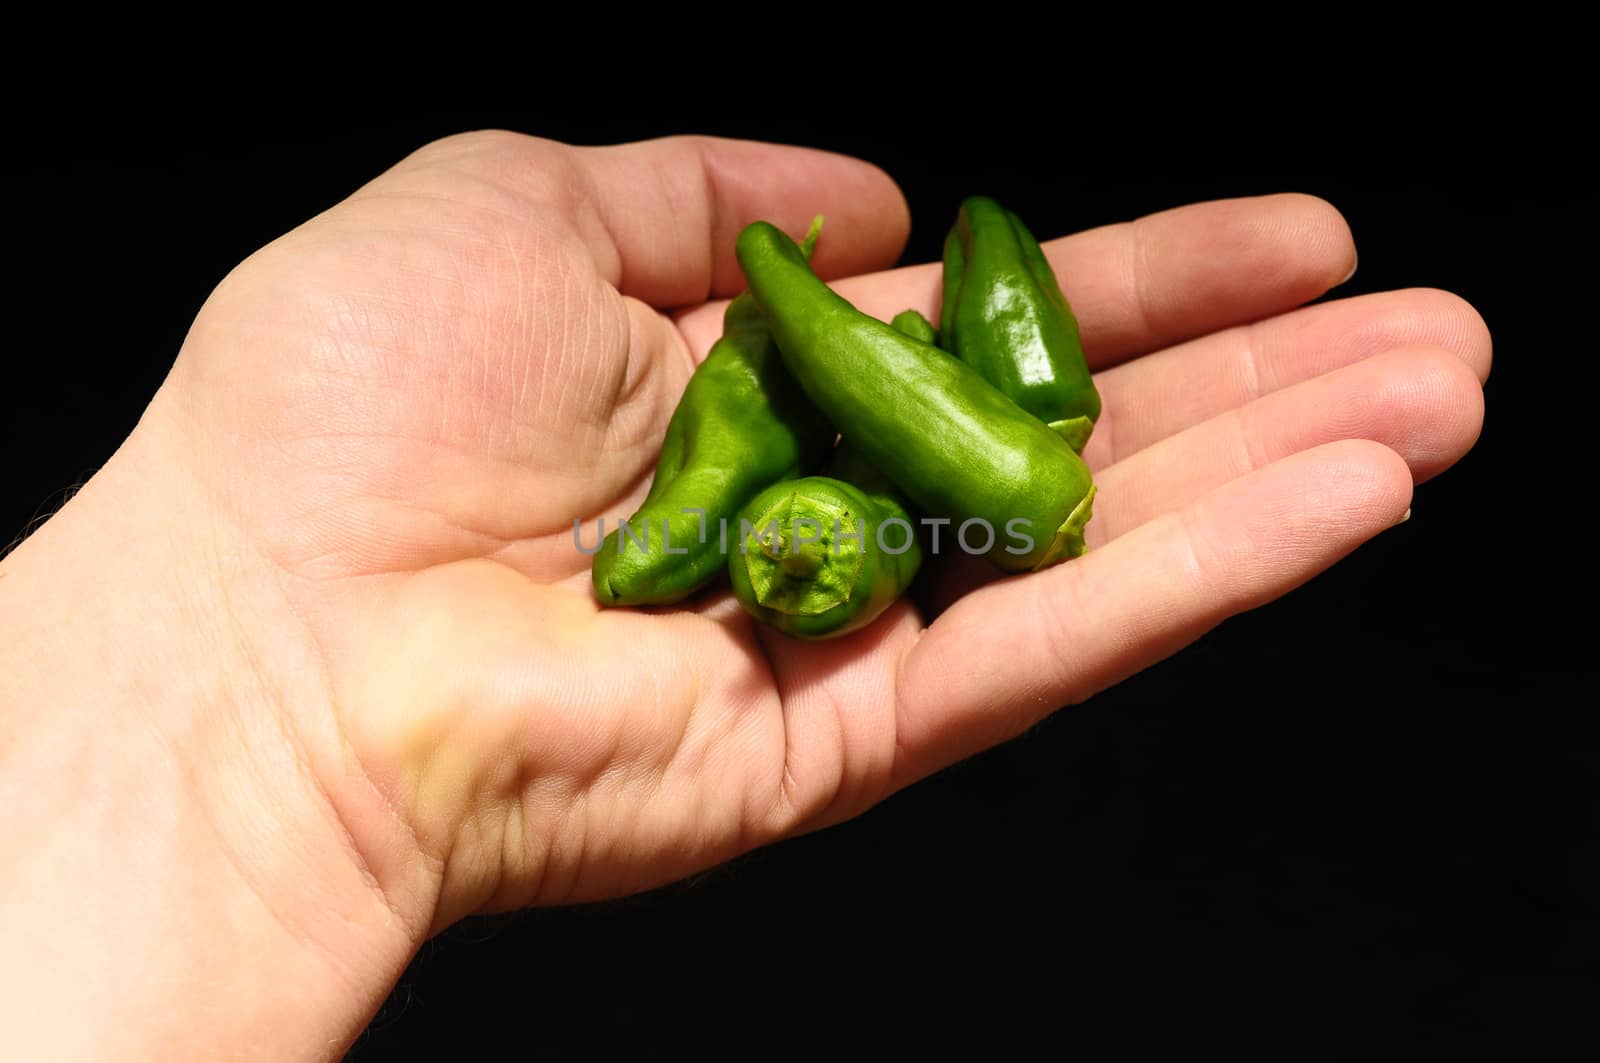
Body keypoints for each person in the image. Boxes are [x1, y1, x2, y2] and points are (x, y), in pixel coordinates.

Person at [0, 131, 1489, 1059]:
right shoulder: (820, 508)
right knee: (937, 492)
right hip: (848, 519)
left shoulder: (847, 497)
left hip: (856, 516)